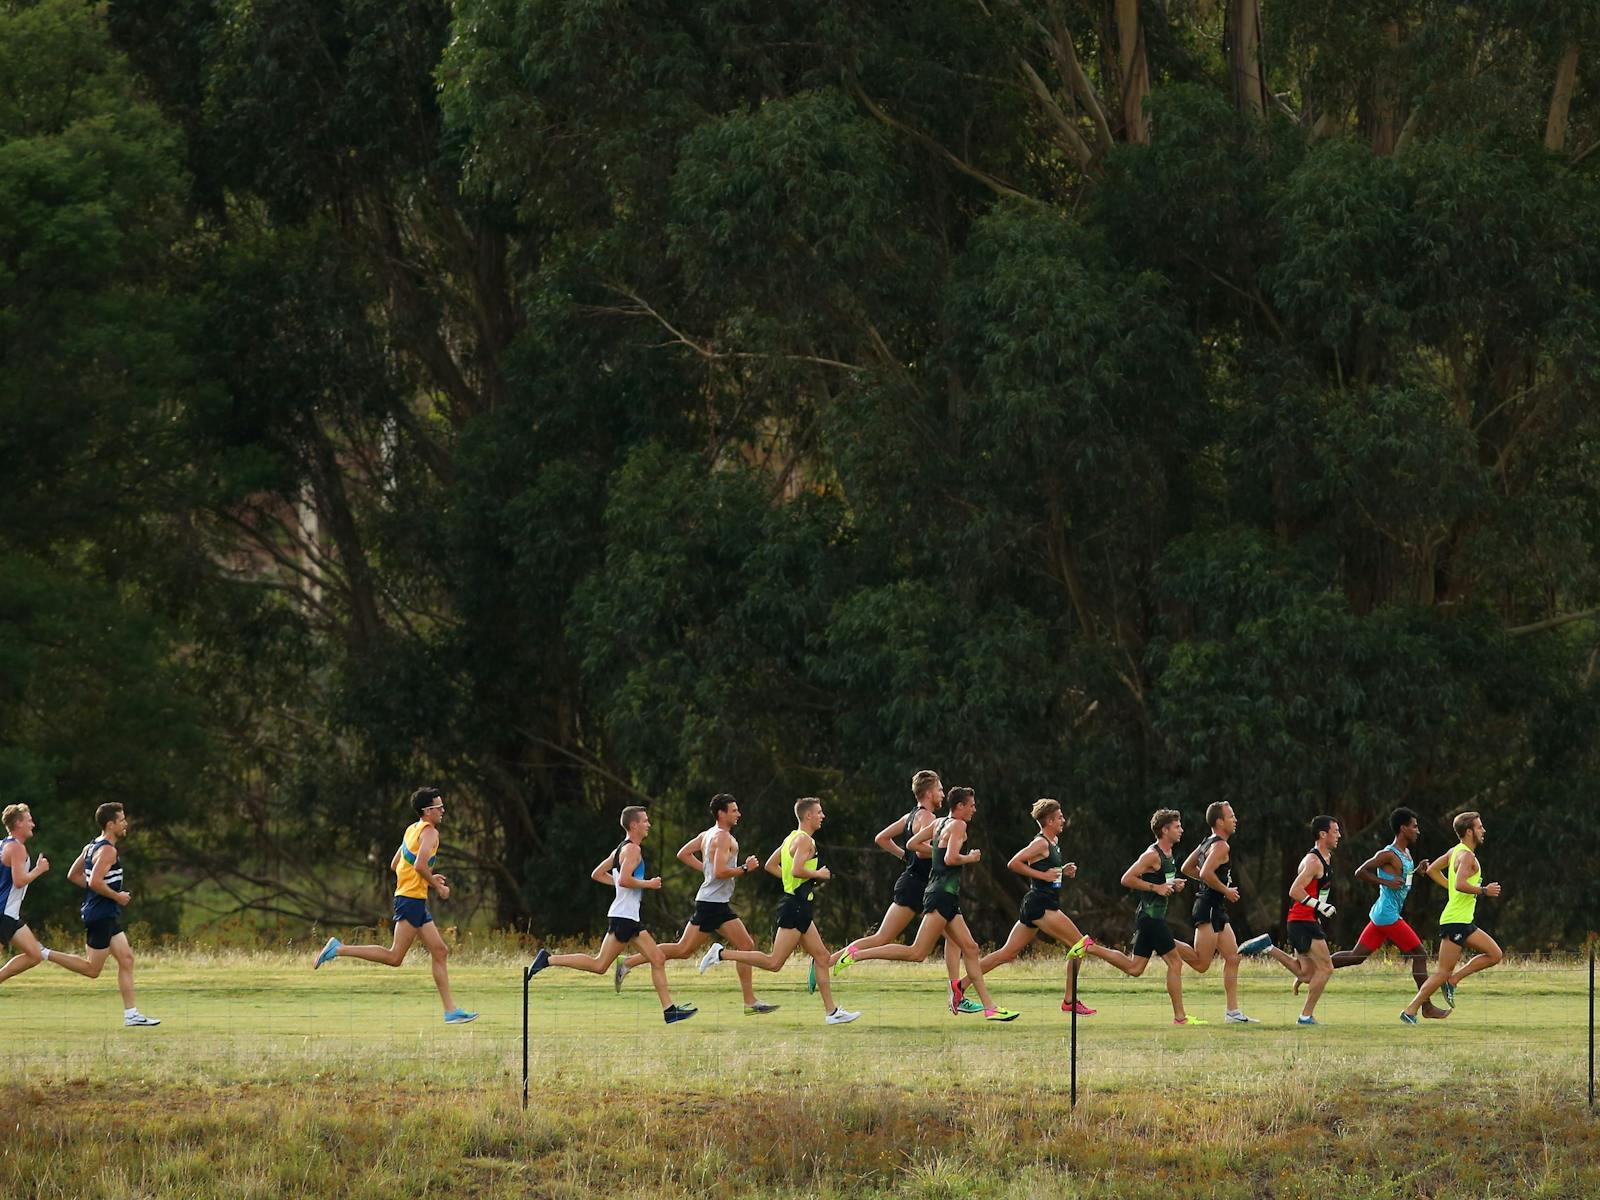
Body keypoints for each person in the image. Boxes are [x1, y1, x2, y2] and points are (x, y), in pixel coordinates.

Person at [834, 787, 1020, 1021]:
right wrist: (969, 858)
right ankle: (855, 955)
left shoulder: (940, 823)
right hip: (942, 894)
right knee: (917, 952)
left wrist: (936, 852)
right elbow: (952, 858)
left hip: (944, 894)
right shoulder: (959, 826)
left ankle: (989, 1007)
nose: (974, 809)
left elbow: (912, 844)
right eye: (971, 805)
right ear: (960, 806)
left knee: (971, 948)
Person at [314, 787, 478, 1024]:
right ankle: (338, 949)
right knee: (394, 957)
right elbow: (421, 866)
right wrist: (437, 885)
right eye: (438, 807)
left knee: (440, 951)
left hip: (411, 898)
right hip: (411, 899)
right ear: (426, 810)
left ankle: (451, 1011)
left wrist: (427, 877)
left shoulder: (412, 829)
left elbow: (395, 864)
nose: (443, 810)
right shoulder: (430, 833)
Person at [527, 805, 697, 1024]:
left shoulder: (619, 850)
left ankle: (669, 1010)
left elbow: (597, 874)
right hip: (625, 917)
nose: (648, 825)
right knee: (611, 964)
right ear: (634, 825)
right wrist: (649, 883)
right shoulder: (633, 850)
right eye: (645, 821)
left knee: (645, 959)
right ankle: (548, 959)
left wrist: (620, 884)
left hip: (625, 916)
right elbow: (625, 879)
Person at [613, 794, 778, 1014]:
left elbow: (684, 853)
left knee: (698, 948)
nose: (738, 814)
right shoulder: (721, 838)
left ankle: (629, 962)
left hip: (714, 902)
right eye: (734, 810)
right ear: (722, 813)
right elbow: (719, 871)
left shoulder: (707, 834)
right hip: (712, 905)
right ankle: (749, 1002)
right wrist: (744, 868)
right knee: (701, 948)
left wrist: (706, 870)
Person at [699, 798, 859, 1024]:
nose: (823, 816)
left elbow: (771, 865)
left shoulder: (791, 838)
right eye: (819, 812)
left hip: (799, 906)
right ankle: (720, 954)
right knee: (774, 963)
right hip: (795, 908)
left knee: (822, 957)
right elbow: (796, 870)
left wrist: (790, 882)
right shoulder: (805, 841)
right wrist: (819, 875)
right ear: (808, 816)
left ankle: (832, 1013)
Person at [947, 799, 1095, 1016]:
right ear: (1050, 820)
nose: (1063, 819)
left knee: (1007, 954)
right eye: (1060, 816)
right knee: (1080, 944)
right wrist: (1044, 875)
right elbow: (1014, 863)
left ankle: (960, 986)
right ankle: (1070, 1000)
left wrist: (1062, 870)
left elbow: (1044, 869)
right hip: (1041, 905)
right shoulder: (1041, 843)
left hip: (1039, 903)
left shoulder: (1052, 843)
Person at [1077, 809, 1210, 1025]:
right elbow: (1126, 878)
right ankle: (1180, 1018)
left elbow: (1159, 881)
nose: (1181, 830)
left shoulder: (1168, 856)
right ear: (1164, 830)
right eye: (1177, 827)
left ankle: (1090, 946)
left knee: (1135, 968)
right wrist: (1156, 888)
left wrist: (1172, 883)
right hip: (1151, 919)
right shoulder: (1152, 854)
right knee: (1175, 963)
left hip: (1150, 918)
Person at [43, 802, 160, 1026]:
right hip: (101, 914)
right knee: (92, 969)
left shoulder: (91, 846)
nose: (126, 823)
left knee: (126, 959)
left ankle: (132, 1015)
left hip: (105, 913)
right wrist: (117, 897)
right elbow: (95, 881)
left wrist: (97, 894)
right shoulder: (107, 850)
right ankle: (44, 953)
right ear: (110, 824)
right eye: (122, 819)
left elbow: (74, 875)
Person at [1328, 807, 1449, 1019]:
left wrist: (1416, 872)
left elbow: (1401, 879)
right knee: (1420, 953)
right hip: (1388, 915)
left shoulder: (1406, 854)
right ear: (1403, 829)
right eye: (1414, 826)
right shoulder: (1388, 854)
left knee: (1357, 957)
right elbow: (1360, 872)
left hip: (1382, 914)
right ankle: (1426, 1006)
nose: (1417, 831)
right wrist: (1386, 881)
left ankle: (1316, 967)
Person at [1180, 801, 1292, 1022]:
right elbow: (1206, 873)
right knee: (1202, 964)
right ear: (1220, 821)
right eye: (1231, 816)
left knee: (1233, 957)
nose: (1235, 820)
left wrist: (1215, 887)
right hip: (1209, 907)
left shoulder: (1206, 842)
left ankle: (1233, 1012)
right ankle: (1164, 942)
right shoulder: (1221, 846)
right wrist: (1225, 890)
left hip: (1216, 908)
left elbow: (1188, 868)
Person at [831, 770, 945, 967]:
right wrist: (947, 854)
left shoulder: (909, 817)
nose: (943, 794)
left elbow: (881, 838)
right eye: (940, 789)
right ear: (928, 793)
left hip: (916, 883)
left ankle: (956, 989)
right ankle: (830, 961)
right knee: (882, 938)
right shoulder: (928, 818)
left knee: (957, 939)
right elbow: (921, 852)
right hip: (916, 886)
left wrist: (903, 855)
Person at [1401, 811, 1504, 1024]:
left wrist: (1452, 887)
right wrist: (1483, 890)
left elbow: (1431, 870)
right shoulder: (1467, 856)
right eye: (1479, 827)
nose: (1483, 831)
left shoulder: (1454, 851)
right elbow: (1460, 884)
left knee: (1495, 954)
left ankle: (1454, 980)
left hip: (1462, 921)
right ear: (1469, 831)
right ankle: (1410, 1010)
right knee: (1441, 973)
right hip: (1456, 920)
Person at [1282, 815, 1341, 1026]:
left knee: (1307, 974)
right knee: (1326, 969)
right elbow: (1294, 890)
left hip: (1307, 920)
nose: (1339, 835)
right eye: (1335, 831)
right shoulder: (1314, 861)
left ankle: (1268, 948)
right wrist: (1320, 907)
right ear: (1323, 834)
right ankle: (1305, 1016)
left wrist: (1319, 912)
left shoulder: (1326, 858)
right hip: (1301, 920)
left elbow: (1316, 892)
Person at [0, 804, 57, 989]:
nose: (33, 824)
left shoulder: (4, 844)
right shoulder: (17, 848)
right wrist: (39, 870)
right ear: (18, 823)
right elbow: (19, 881)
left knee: (34, 955)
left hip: (11, 914)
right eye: (29, 820)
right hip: (4, 913)